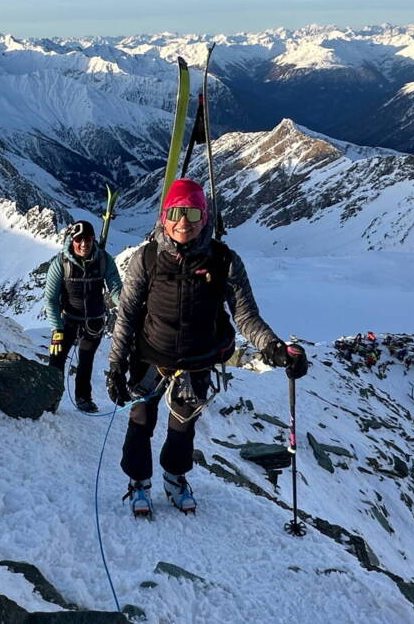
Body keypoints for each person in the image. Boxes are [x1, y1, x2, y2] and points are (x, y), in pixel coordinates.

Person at [105, 178, 308, 516]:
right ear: (164, 216)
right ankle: (139, 481)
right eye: (177, 212)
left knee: (182, 428)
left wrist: (273, 346)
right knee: (140, 421)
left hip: (196, 361)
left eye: (194, 212)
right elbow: (126, 314)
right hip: (151, 355)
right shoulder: (148, 258)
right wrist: (116, 365)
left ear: (205, 217)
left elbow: (245, 315)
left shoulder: (224, 260)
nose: (184, 221)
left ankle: (174, 476)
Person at [42, 220, 123, 413]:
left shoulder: (104, 260)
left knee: (86, 361)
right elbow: (51, 299)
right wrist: (57, 328)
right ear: (72, 240)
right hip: (67, 321)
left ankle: (83, 398)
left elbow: (115, 289)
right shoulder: (60, 263)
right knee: (56, 358)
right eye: (79, 239)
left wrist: (127, 304)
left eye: (87, 239)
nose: (84, 244)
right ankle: (51, 398)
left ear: (93, 239)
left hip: (94, 320)